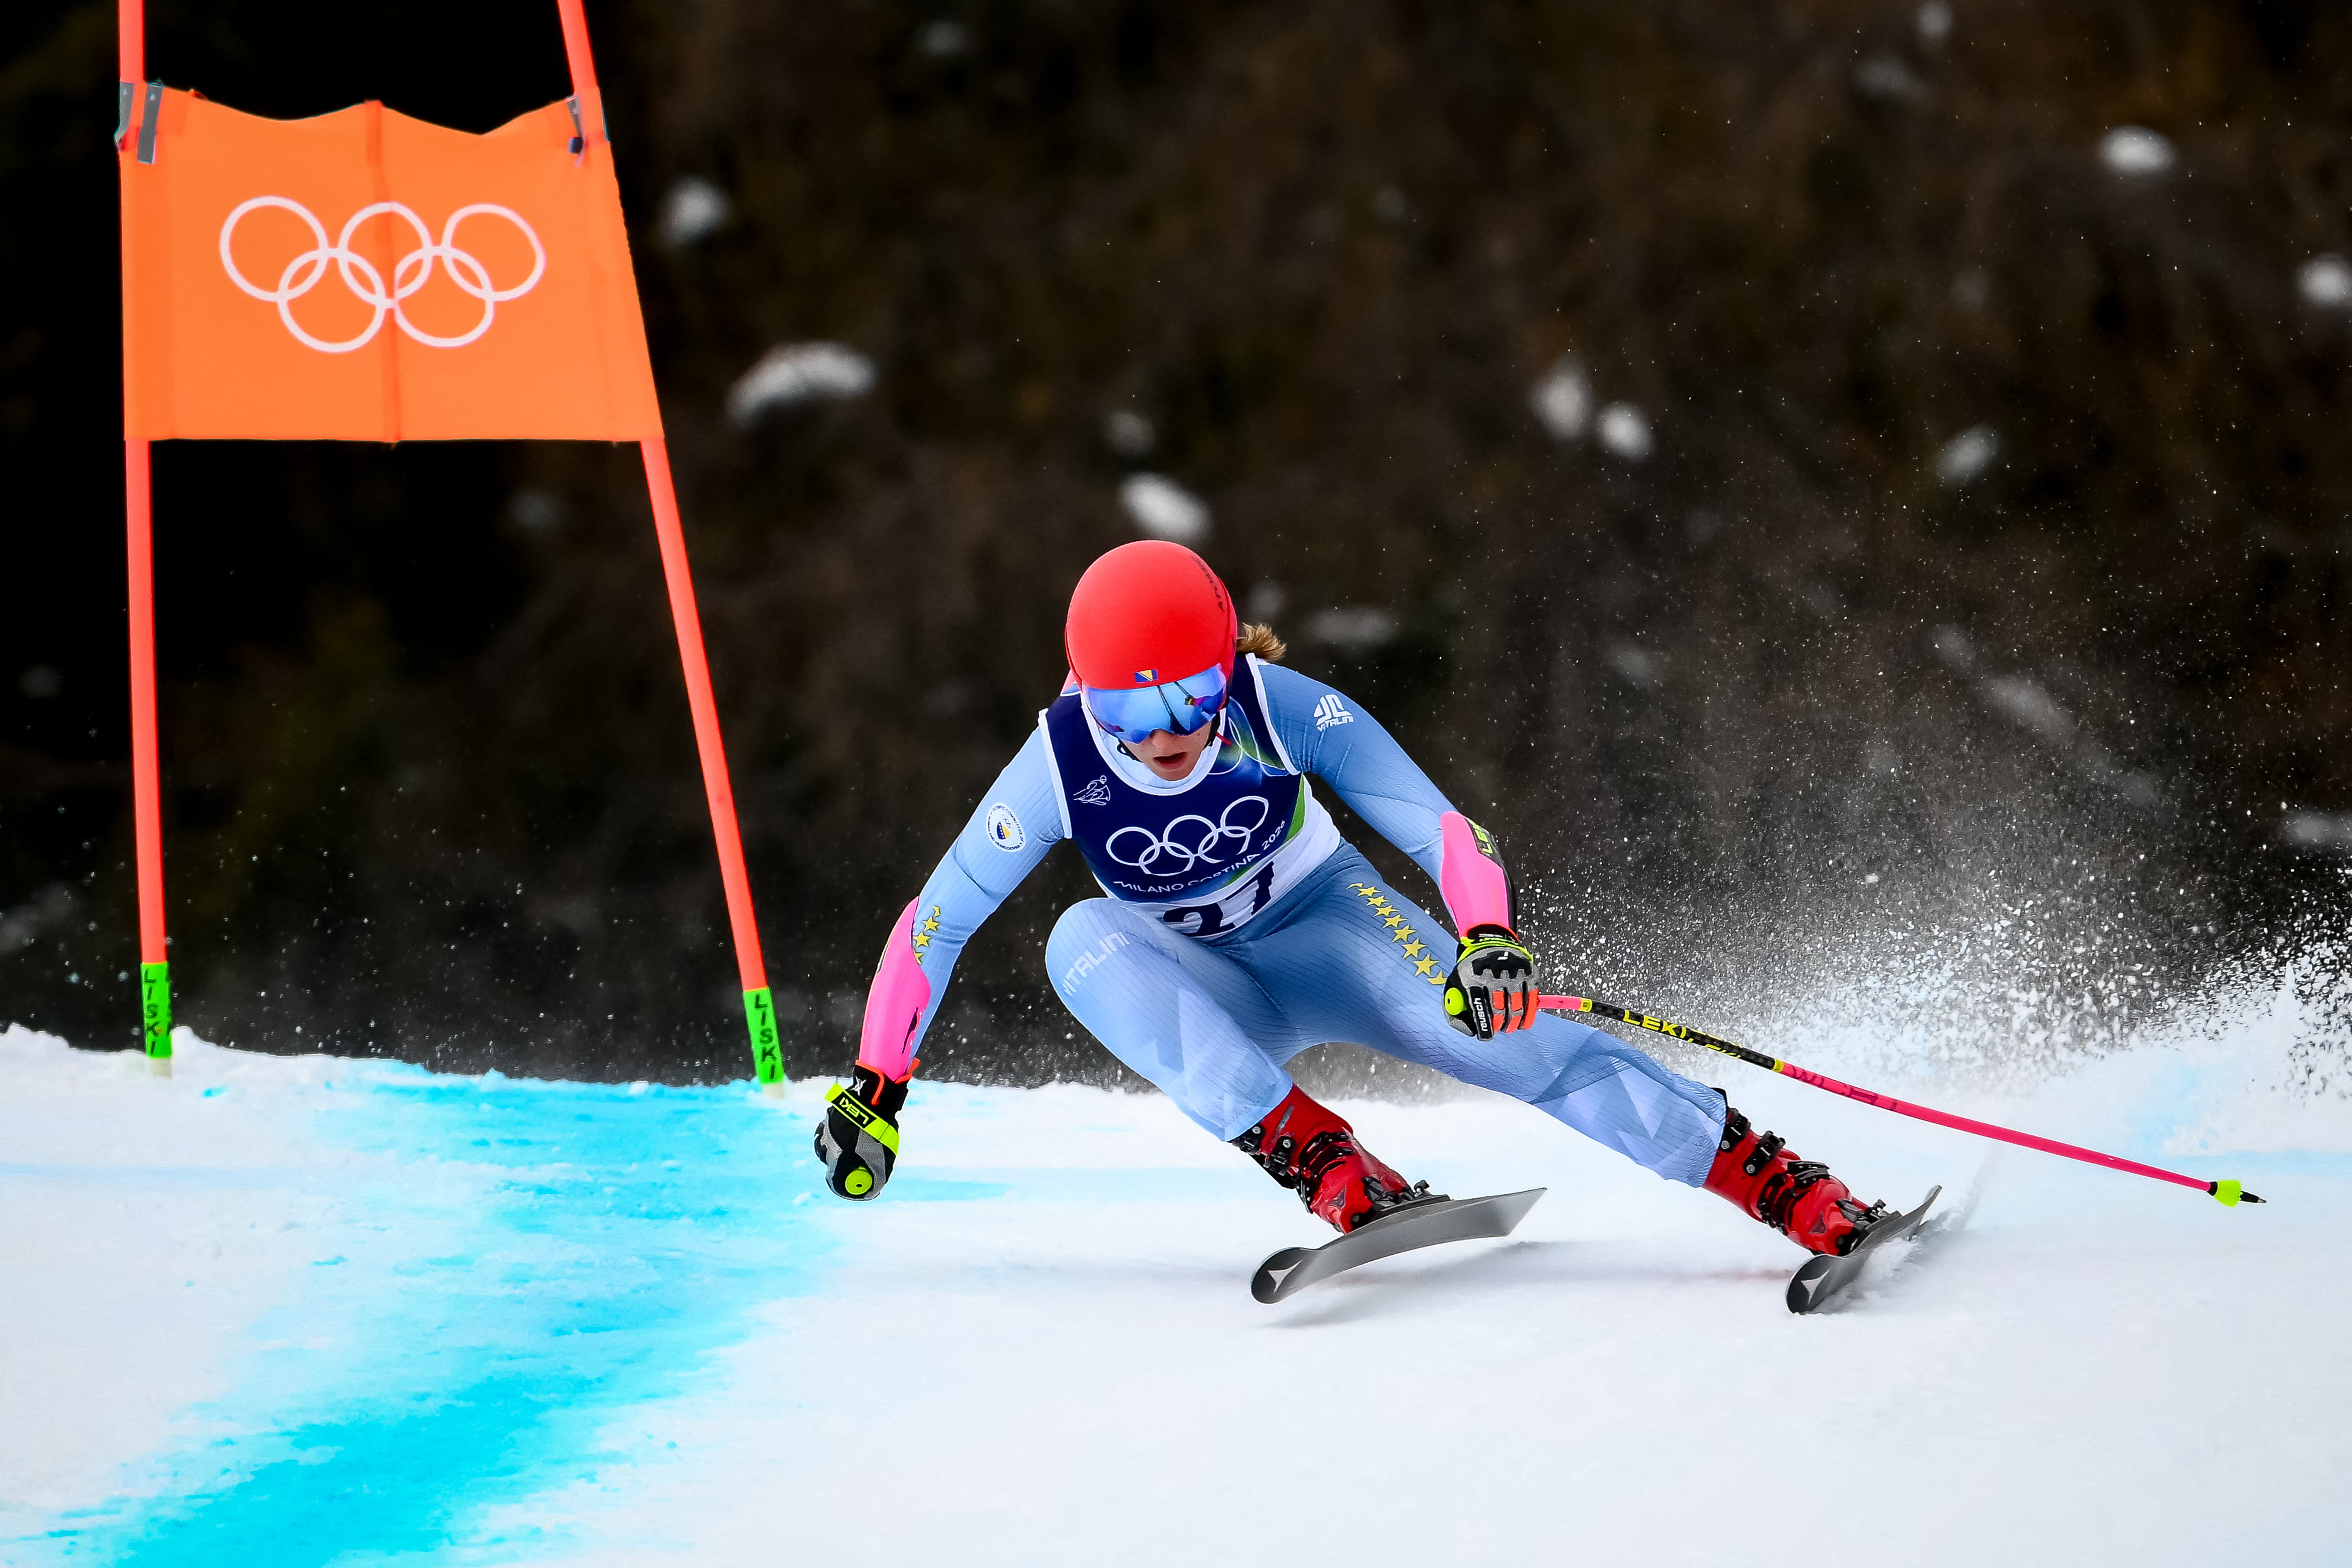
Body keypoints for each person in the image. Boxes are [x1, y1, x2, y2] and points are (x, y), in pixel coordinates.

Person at [815, 540, 1893, 1254]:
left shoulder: (1279, 706)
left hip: (1333, 925)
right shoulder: (1054, 768)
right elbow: (935, 920)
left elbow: (1438, 822)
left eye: (1193, 695)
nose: (1168, 735)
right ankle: (1321, 1155)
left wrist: (1486, 937)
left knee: (1500, 1043)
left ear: (1225, 663)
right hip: (1210, 983)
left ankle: (1769, 1179)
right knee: (1078, 941)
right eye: (1129, 715)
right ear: (1084, 694)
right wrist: (876, 1085)